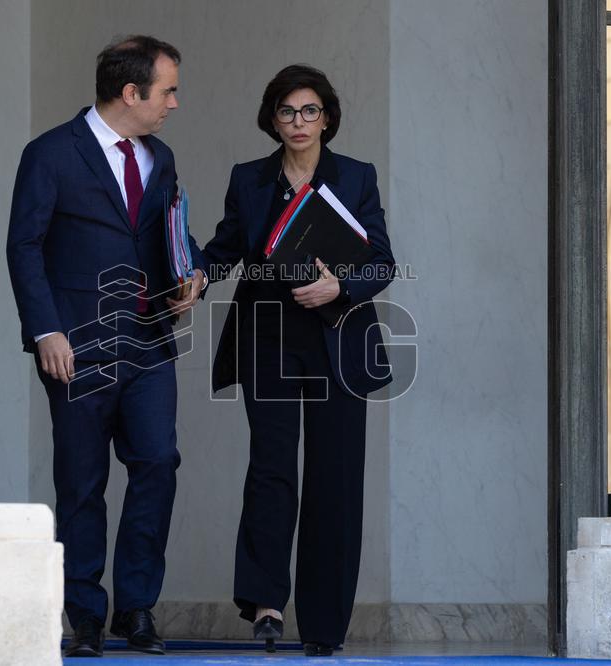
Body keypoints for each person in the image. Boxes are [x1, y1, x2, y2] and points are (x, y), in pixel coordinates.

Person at [6, 35, 206, 658]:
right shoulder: (50, 154)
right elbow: (25, 247)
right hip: (77, 344)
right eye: (167, 89)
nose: (174, 102)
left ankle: (137, 608)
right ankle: (85, 615)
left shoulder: (161, 157)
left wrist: (191, 275)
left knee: (157, 464)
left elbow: (174, 232)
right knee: (82, 482)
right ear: (131, 92)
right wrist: (46, 330)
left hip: (147, 339)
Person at [201, 64, 395, 656]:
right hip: (269, 337)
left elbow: (381, 262)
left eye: (310, 111)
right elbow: (226, 248)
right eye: (288, 111)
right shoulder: (250, 180)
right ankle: (264, 604)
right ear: (273, 119)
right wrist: (192, 279)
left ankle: (324, 624)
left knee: (335, 478)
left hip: (337, 336)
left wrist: (342, 288)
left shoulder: (355, 177)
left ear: (328, 118)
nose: (299, 121)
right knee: (272, 468)